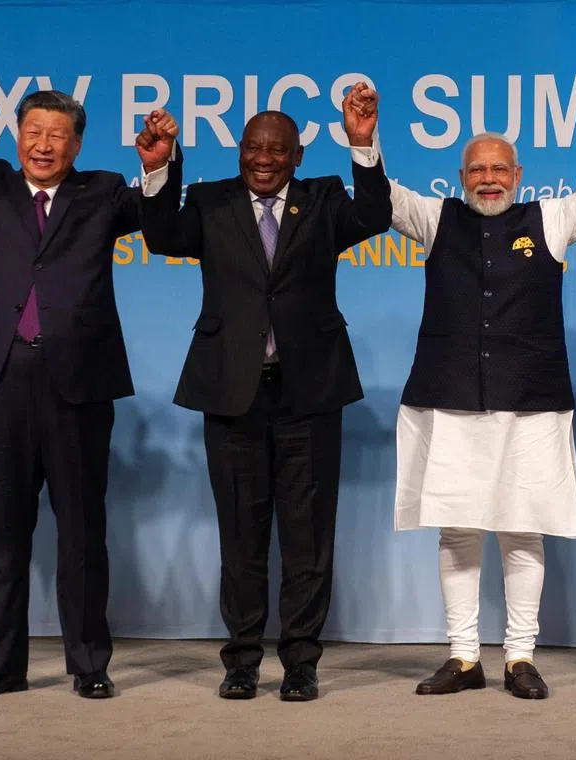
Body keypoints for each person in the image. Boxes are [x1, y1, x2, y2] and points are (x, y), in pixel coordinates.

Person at [0, 76, 178, 699]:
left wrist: (157, 167)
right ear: (18, 136)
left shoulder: (101, 192)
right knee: (5, 530)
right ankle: (4, 665)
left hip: (78, 379)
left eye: (57, 135)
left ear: (77, 146)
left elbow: (158, 221)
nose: (43, 144)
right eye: (34, 132)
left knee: (81, 530)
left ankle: (88, 663)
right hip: (1, 373)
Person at [388, 72, 576, 699]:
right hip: (450, 400)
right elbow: (384, 197)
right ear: (461, 179)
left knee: (522, 527)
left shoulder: (555, 219)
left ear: (518, 174)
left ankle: (518, 657)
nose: (489, 178)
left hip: (532, 404)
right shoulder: (436, 220)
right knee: (456, 529)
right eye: (477, 169)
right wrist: (365, 143)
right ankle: (461, 658)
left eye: (500, 169)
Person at [137, 83, 391, 701]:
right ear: (240, 151)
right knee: (241, 537)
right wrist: (157, 168)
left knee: (307, 538)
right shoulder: (209, 201)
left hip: (309, 394)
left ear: (298, 156)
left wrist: (363, 144)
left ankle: (301, 662)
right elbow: (162, 236)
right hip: (231, 394)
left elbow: (375, 215)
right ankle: (241, 660)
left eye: (277, 151)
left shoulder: (324, 200)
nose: (263, 159)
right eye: (253, 148)